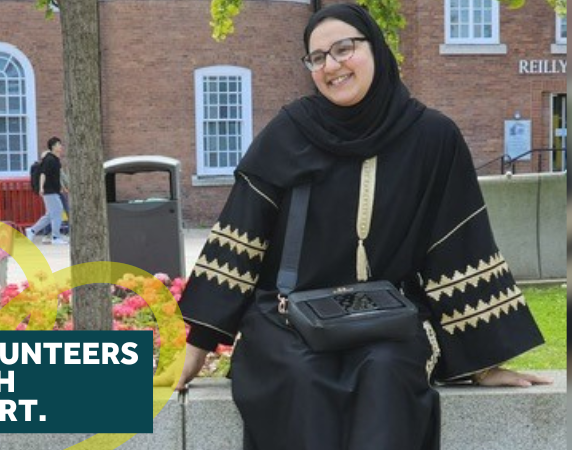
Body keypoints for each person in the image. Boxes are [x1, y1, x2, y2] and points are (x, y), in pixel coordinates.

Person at [175, 4, 551, 449]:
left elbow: (458, 244)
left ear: (376, 48)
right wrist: (198, 344)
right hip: (284, 322)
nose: (331, 66)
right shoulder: (289, 133)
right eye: (317, 57)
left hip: (387, 323)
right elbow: (242, 237)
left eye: (343, 49)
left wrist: (483, 362)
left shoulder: (432, 138)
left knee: (388, 374)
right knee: (298, 379)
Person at [26, 137, 67, 245]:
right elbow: (43, 174)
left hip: (54, 190)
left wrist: (62, 187)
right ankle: (55, 237)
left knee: (51, 214)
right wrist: (41, 188)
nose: (61, 146)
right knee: (58, 211)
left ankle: (32, 230)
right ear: (53, 146)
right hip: (49, 190)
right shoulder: (49, 159)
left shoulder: (55, 159)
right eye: (59, 144)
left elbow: (55, 176)